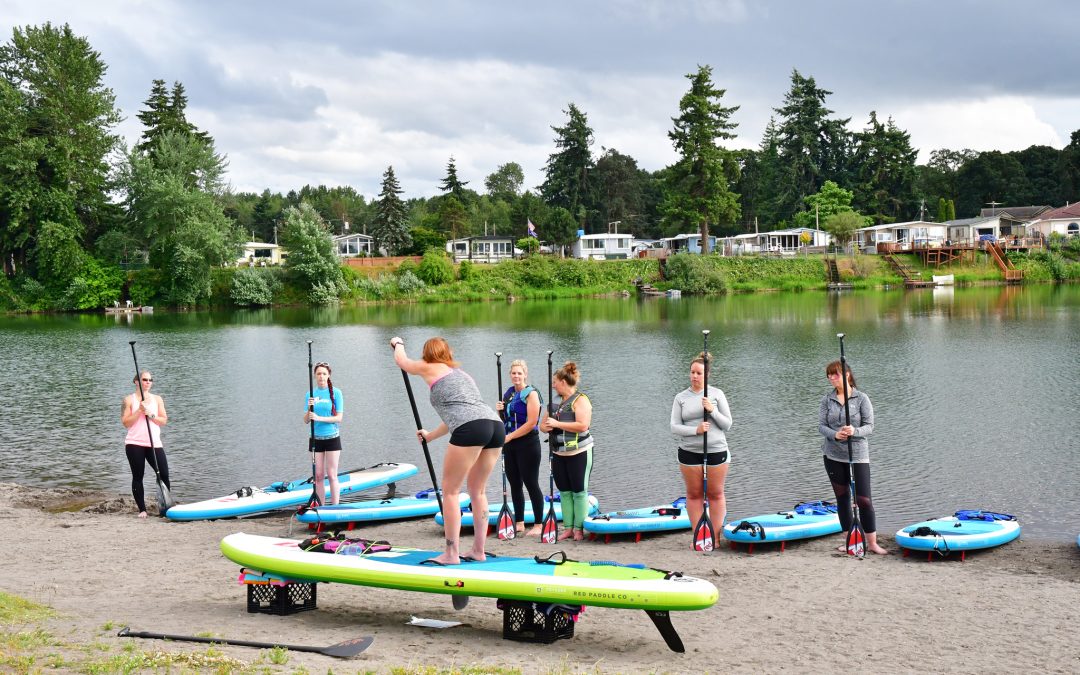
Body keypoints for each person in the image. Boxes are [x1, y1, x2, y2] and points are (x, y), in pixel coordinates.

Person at [391, 336, 504, 564]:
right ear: (448, 353)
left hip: (472, 427)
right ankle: (478, 551)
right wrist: (431, 435)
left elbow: (402, 362)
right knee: (478, 491)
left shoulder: (428, 365)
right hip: (494, 426)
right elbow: (460, 414)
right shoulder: (463, 376)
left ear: (428, 353)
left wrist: (398, 343)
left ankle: (452, 553)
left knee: (451, 492)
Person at [818, 360, 888, 555]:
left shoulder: (861, 398)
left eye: (835, 374)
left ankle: (872, 543)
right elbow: (821, 426)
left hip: (857, 455)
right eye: (829, 375)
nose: (831, 378)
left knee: (864, 499)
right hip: (833, 455)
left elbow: (870, 426)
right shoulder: (827, 400)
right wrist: (835, 434)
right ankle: (850, 539)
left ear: (847, 374)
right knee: (842, 498)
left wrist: (854, 431)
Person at [670, 352, 732, 547]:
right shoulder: (681, 398)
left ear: (707, 375)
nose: (694, 376)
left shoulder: (716, 394)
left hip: (716, 450)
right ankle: (699, 535)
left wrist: (712, 411)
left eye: (699, 373)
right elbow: (674, 426)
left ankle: (715, 536)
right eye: (692, 372)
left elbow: (728, 424)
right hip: (689, 451)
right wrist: (695, 430)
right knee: (694, 494)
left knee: (715, 494)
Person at [539, 361, 593, 542]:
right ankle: (568, 528)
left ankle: (579, 529)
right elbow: (542, 425)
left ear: (563, 381)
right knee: (564, 491)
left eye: (555, 382)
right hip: (559, 453)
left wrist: (557, 424)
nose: (553, 385)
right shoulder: (553, 402)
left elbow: (583, 425)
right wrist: (546, 427)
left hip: (579, 453)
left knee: (579, 491)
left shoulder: (581, 400)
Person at [495, 359, 545, 536]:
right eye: (513, 373)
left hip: (528, 443)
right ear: (510, 375)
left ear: (525, 374)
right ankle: (520, 523)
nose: (516, 376)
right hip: (510, 445)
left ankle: (538, 525)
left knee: (531, 483)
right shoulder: (508, 393)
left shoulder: (531, 394)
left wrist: (509, 437)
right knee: (515, 484)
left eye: (519, 373)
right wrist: (499, 411)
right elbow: (505, 420)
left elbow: (532, 423)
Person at [120, 370, 170, 518]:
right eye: (145, 379)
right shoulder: (128, 400)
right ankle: (142, 510)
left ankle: (165, 506)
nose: (148, 382)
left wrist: (151, 414)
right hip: (134, 443)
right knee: (138, 476)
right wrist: (139, 411)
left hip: (154, 443)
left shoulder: (157, 399)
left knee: (164, 475)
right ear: (137, 382)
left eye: (150, 380)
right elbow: (125, 422)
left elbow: (163, 420)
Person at [303, 361, 344, 505]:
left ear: (329, 375)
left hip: (332, 438)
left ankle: (335, 506)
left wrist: (319, 418)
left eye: (324, 374)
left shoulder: (336, 393)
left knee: (332, 475)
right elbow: (306, 420)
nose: (321, 376)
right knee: (318, 476)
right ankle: (321, 506)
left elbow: (339, 418)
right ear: (315, 376)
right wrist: (309, 408)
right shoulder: (310, 394)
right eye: (319, 374)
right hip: (316, 439)